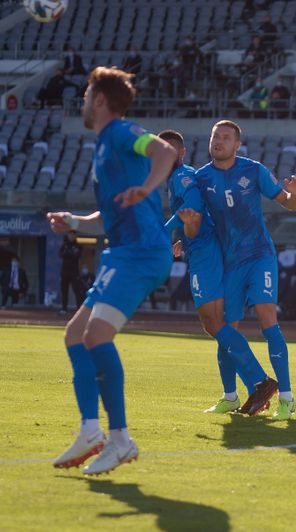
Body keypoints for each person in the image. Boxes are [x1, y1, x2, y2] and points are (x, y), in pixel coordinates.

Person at [45, 66, 178, 475]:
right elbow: (110, 214)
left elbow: (165, 152)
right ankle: (90, 431)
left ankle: (120, 440)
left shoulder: (121, 132)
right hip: (122, 253)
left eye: (87, 95)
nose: (84, 102)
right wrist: (75, 221)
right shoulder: (104, 145)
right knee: (75, 336)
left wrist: (148, 187)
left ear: (100, 100)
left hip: (142, 252)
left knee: (96, 336)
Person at [189, 120, 296, 421]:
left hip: (259, 256)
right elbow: (197, 219)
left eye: (226, 138)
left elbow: (288, 203)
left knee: (268, 322)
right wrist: (183, 240)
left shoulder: (253, 170)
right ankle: (230, 397)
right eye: (215, 136)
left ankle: (287, 398)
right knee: (226, 328)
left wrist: (295, 194)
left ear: (237, 145)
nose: (219, 141)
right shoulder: (201, 178)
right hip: (229, 263)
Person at [160, 129, 278, 416]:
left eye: (171, 149)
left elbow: (193, 206)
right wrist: (182, 236)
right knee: (219, 324)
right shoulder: (184, 175)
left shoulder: (180, 176)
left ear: (181, 153)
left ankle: (259, 382)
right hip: (203, 248)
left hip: (205, 253)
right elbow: (199, 211)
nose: (165, 154)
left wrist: (162, 232)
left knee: (213, 323)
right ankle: (244, 392)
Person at [59, 231, 85, 315]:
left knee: (77, 290)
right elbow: (61, 254)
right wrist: (70, 253)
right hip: (65, 271)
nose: (72, 236)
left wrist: (70, 253)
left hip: (74, 271)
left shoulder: (78, 246)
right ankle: (64, 308)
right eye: (70, 234)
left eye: (73, 234)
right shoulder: (64, 245)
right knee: (64, 290)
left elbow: (78, 255)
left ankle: (79, 309)